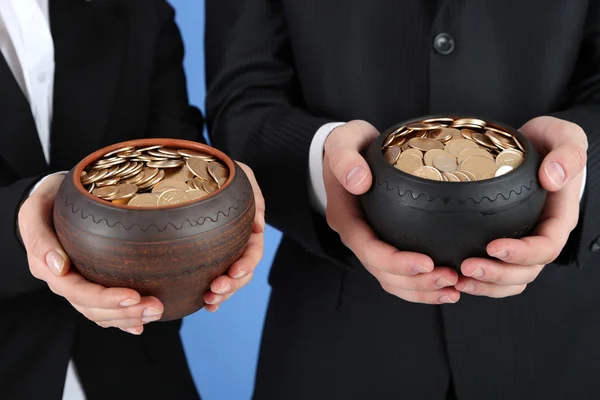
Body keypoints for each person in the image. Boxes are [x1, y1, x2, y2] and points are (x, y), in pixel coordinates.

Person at [205, 1, 597, 399]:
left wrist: (578, 168)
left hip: (566, 342)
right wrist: (328, 166)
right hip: (337, 343)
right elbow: (242, 101)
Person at [0, 1, 265, 399]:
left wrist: (223, 202)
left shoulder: (141, 10)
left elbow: (173, 148)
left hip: (139, 367)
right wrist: (24, 222)